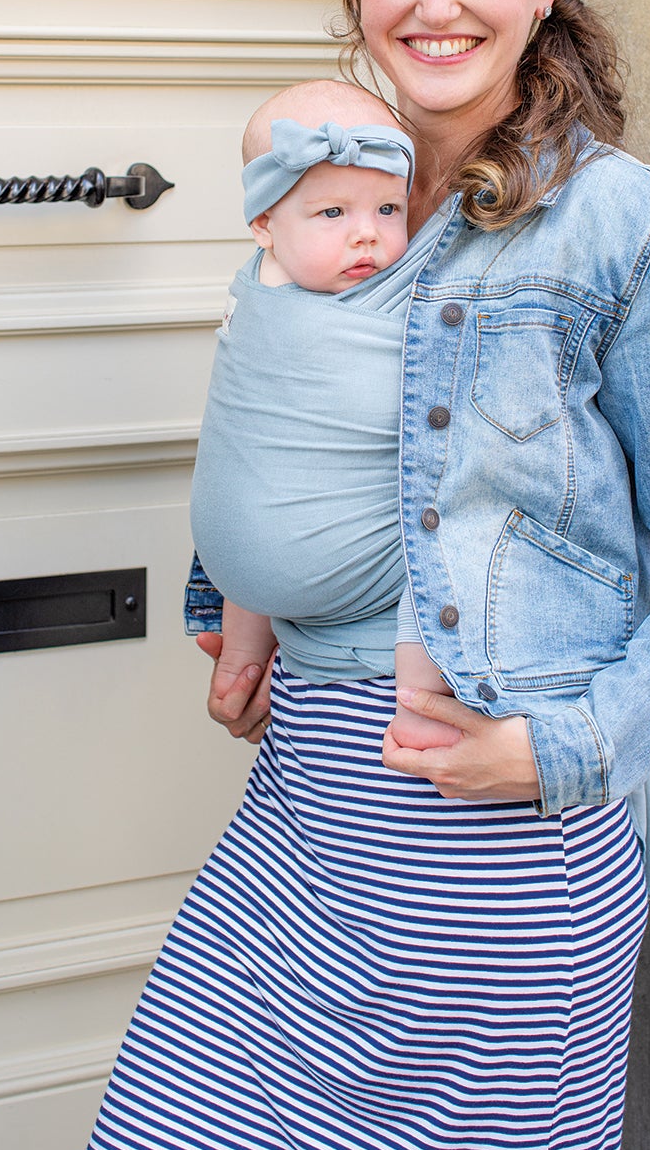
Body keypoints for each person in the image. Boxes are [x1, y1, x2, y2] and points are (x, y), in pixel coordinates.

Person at [80, 0, 650, 1150]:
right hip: (305, 823)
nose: (433, 2)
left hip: (507, 851)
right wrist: (233, 608)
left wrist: (567, 748)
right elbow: (271, 426)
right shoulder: (317, 190)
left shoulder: (631, 228)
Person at [190, 76, 465, 755]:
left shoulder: (395, 290)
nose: (366, 237)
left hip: (385, 623)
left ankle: (424, 708)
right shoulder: (259, 289)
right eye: (332, 214)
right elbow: (248, 437)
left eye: (388, 210)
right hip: (271, 617)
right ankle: (240, 657)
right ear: (263, 226)